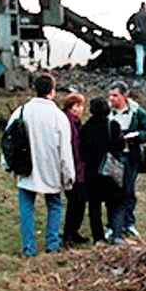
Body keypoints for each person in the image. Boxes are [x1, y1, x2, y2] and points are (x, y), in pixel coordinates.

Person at [3, 73, 74, 256]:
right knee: (55, 205)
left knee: (26, 208)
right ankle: (52, 244)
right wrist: (68, 175)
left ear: (34, 89)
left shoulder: (21, 111)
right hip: (51, 167)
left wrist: (7, 165)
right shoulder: (58, 116)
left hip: (25, 167)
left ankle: (28, 247)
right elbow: (65, 150)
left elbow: (8, 141)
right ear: (52, 90)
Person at [107, 80, 146, 239]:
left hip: (130, 156)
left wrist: (137, 136)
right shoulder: (108, 112)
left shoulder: (136, 112)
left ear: (124, 96)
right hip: (113, 157)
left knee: (129, 190)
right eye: (110, 95)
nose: (111, 98)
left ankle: (129, 222)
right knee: (113, 191)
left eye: (115, 95)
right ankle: (112, 225)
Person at [79, 97, 125, 244]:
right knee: (116, 203)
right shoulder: (113, 125)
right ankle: (116, 233)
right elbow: (120, 146)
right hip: (111, 171)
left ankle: (98, 237)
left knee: (94, 206)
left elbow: (82, 152)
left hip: (92, 172)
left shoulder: (85, 128)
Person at [62, 93, 89, 246]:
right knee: (75, 202)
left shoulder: (76, 122)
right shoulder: (69, 122)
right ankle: (69, 233)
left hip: (77, 166)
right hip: (74, 166)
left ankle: (73, 232)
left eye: (81, 106)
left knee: (78, 202)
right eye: (77, 106)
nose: (80, 109)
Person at [126, 1, 146, 76]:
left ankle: (139, 72)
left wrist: (131, 33)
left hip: (138, 38)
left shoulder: (135, 16)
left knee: (139, 56)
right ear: (144, 7)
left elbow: (128, 24)